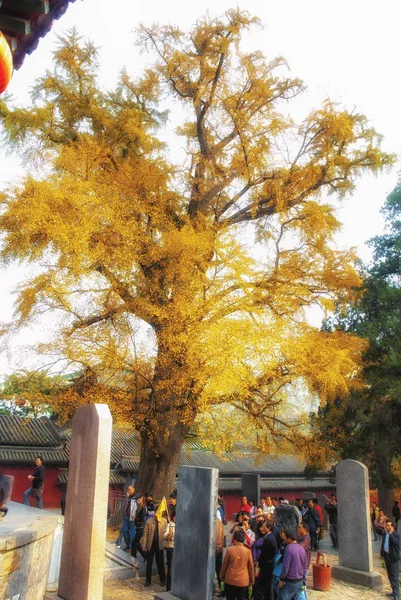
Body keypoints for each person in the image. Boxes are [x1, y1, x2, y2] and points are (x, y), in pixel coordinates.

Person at [220, 529, 255, 600]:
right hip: (243, 581)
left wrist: (221, 576)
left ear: (234, 539)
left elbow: (224, 565)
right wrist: (252, 580)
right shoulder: (248, 552)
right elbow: (251, 567)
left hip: (230, 579)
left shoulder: (230, 550)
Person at [140, 507, 167, 587]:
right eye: (155, 512)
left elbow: (166, 533)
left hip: (160, 545)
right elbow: (145, 534)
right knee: (149, 563)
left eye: (158, 513)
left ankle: (162, 580)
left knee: (160, 563)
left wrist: (165, 543)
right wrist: (143, 544)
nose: (156, 514)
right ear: (154, 513)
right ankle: (148, 580)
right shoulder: (149, 521)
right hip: (150, 544)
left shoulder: (164, 521)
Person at [278, 528, 307, 600]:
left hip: (291, 581)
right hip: (300, 580)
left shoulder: (288, 548)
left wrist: (282, 579)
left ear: (289, 538)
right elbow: (304, 566)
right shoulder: (301, 548)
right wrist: (304, 579)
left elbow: (286, 566)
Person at [254, 519, 277, 600]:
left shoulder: (268, 539)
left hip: (266, 567)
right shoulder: (270, 537)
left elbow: (265, 556)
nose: (262, 528)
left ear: (268, 528)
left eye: (264, 527)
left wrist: (259, 566)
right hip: (268, 566)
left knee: (261, 588)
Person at [380, 519, 400, 600]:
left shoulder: (396, 535)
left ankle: (396, 594)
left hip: (393, 558)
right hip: (387, 557)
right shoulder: (385, 533)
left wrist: (391, 534)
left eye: (389, 525)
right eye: (386, 525)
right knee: (390, 576)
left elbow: (396, 543)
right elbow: (383, 543)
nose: (387, 527)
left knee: (395, 577)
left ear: (392, 526)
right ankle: (393, 591)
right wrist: (382, 553)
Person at [131, 494, 148, 565]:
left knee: (134, 542)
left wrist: (135, 518)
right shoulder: (139, 507)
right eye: (138, 499)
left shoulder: (144, 508)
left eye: (139, 499)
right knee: (137, 543)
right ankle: (146, 556)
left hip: (141, 527)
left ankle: (133, 556)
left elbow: (143, 518)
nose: (138, 500)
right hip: (138, 527)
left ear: (142, 500)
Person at [163, 509, 176, 591]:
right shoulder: (170, 525)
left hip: (178, 549)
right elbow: (164, 536)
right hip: (171, 548)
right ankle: (169, 588)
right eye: (175, 517)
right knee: (170, 568)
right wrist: (169, 534)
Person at [216, 516, 226, 597]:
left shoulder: (216, 522)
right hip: (218, 549)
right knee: (219, 572)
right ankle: (223, 590)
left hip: (215, 550)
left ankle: (223, 590)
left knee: (219, 572)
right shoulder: (218, 522)